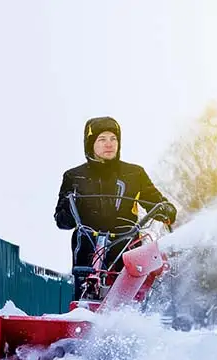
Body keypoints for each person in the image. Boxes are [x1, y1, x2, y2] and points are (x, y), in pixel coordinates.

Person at [53, 116, 177, 300]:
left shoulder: (134, 174)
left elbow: (155, 201)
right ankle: (82, 309)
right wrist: (70, 209)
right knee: (85, 289)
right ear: (90, 144)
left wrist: (166, 210)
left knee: (129, 294)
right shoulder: (74, 176)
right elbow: (62, 221)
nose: (109, 144)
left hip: (126, 240)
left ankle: (131, 314)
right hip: (88, 240)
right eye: (102, 139)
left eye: (113, 138)